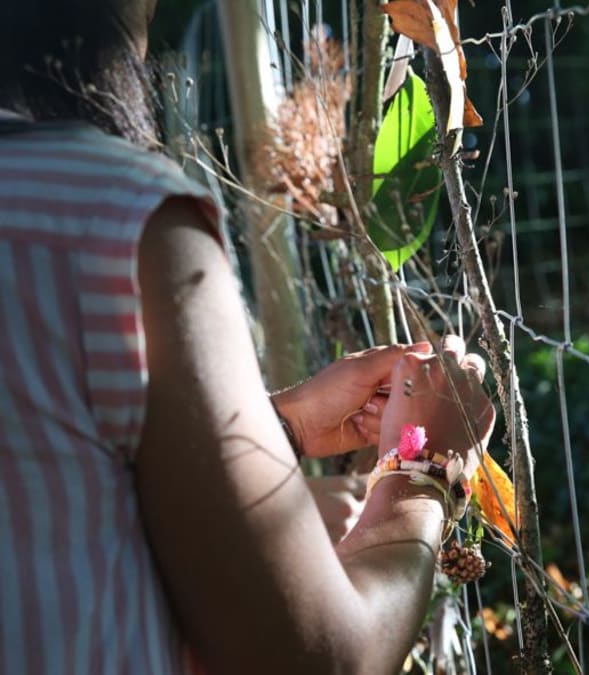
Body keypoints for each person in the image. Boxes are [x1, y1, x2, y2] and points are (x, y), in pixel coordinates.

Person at [0, 1, 495, 674]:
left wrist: (281, 429)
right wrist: (423, 467)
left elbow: (51, 490)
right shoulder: (112, 215)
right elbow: (317, 659)